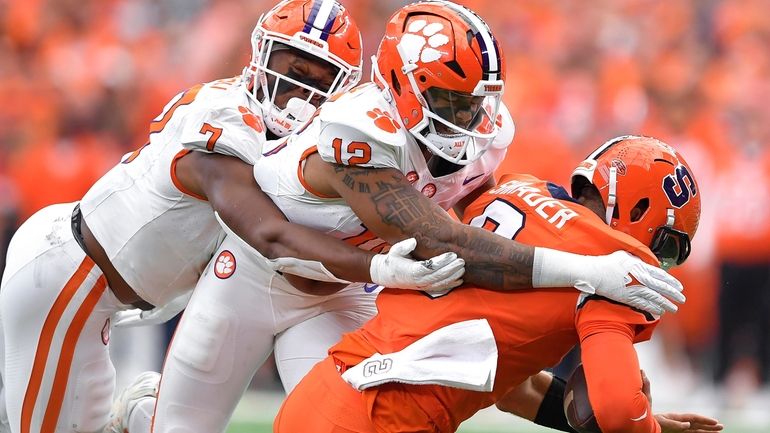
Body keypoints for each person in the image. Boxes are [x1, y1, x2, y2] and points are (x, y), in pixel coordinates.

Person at [113, 2, 686, 433]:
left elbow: (476, 299)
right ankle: (145, 414)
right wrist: (590, 270)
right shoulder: (357, 127)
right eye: (453, 101)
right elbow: (441, 239)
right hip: (256, 275)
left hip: (346, 289)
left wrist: (568, 410)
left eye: (476, 102)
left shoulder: (486, 140)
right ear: (399, 86)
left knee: (360, 404)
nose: (471, 118)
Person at [0, 2, 468, 433]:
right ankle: (141, 413)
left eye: (319, 78)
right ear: (260, 54)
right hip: (69, 278)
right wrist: (379, 268)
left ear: (342, 86)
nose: (299, 91)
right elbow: (270, 235)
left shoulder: (309, 139)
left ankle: (142, 415)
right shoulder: (226, 117)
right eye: (291, 68)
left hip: (105, 290)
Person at [273, 135, 721, 433]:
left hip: (324, 394)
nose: (657, 263)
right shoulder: (615, 265)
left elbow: (510, 388)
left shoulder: (518, 190)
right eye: (663, 247)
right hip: (389, 418)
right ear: (639, 213)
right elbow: (618, 410)